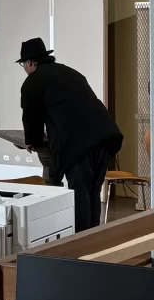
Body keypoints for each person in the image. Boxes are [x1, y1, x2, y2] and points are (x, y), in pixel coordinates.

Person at [18, 37, 123, 231]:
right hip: (105, 136)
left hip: (77, 144)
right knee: (93, 192)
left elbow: (31, 118)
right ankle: (92, 240)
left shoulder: (33, 81)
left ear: (30, 62)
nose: (24, 68)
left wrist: (32, 141)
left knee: (80, 193)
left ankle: (80, 243)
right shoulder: (70, 72)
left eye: (23, 64)